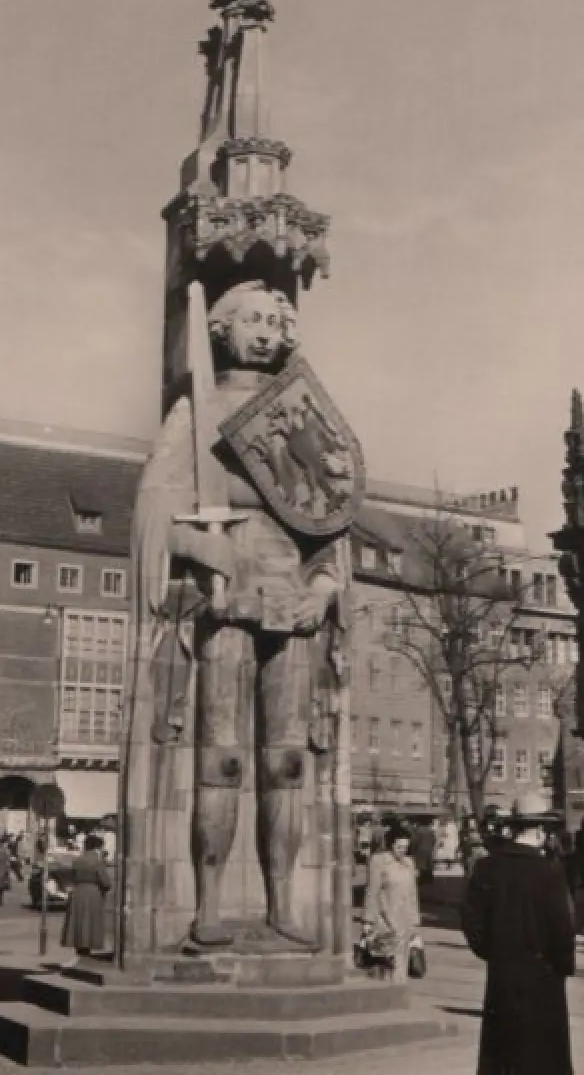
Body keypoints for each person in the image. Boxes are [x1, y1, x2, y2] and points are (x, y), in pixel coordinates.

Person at [133, 280, 352, 947]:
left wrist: (324, 588)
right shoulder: (197, 409)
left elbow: (328, 521)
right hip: (224, 602)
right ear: (222, 329)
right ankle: (207, 907)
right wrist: (203, 547)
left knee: (287, 766)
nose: (263, 332)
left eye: (273, 322)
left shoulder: (299, 411)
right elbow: (153, 511)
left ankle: (283, 903)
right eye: (250, 319)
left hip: (292, 598)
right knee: (221, 760)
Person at [461, 791, 575, 1075]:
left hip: (502, 975)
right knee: (542, 1056)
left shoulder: (487, 867)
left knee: (503, 1054)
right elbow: (563, 929)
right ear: (539, 830)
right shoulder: (549, 871)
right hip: (543, 978)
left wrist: (493, 951)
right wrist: (561, 965)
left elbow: (471, 919)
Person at [362, 823, 421, 983]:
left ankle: (399, 987)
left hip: (405, 920)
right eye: (399, 847)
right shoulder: (379, 862)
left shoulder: (409, 863)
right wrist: (368, 920)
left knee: (402, 962)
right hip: (385, 919)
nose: (403, 851)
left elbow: (413, 893)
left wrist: (415, 920)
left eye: (405, 847)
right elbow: (372, 891)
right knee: (385, 962)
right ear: (391, 845)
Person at [61, 835, 112, 961]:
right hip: (93, 892)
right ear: (97, 847)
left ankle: (80, 948)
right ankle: (87, 948)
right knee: (90, 922)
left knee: (78, 921)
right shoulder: (97, 861)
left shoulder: (78, 860)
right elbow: (106, 882)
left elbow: (71, 877)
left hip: (78, 891)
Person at [412, 820, 436, 887]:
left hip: (421, 849)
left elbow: (415, 841)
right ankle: (430, 878)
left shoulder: (418, 831)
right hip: (429, 849)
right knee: (429, 864)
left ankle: (422, 879)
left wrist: (413, 849)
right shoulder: (430, 830)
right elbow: (434, 840)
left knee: (421, 865)